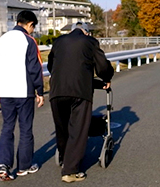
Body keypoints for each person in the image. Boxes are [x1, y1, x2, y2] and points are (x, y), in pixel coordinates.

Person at [47, 21, 114, 183]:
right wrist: (106, 78)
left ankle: (64, 157)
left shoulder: (58, 42)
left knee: (62, 128)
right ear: (86, 32)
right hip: (80, 92)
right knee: (77, 129)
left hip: (56, 91)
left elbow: (51, 65)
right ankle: (70, 171)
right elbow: (103, 66)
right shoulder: (89, 42)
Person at [0, 10, 44, 181]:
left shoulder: (1, 40)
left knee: (7, 127)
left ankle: (3, 165)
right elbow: (35, 68)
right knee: (26, 129)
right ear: (29, 24)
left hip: (5, 91)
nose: (32, 30)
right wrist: (40, 91)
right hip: (24, 91)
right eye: (33, 27)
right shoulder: (28, 40)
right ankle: (24, 166)